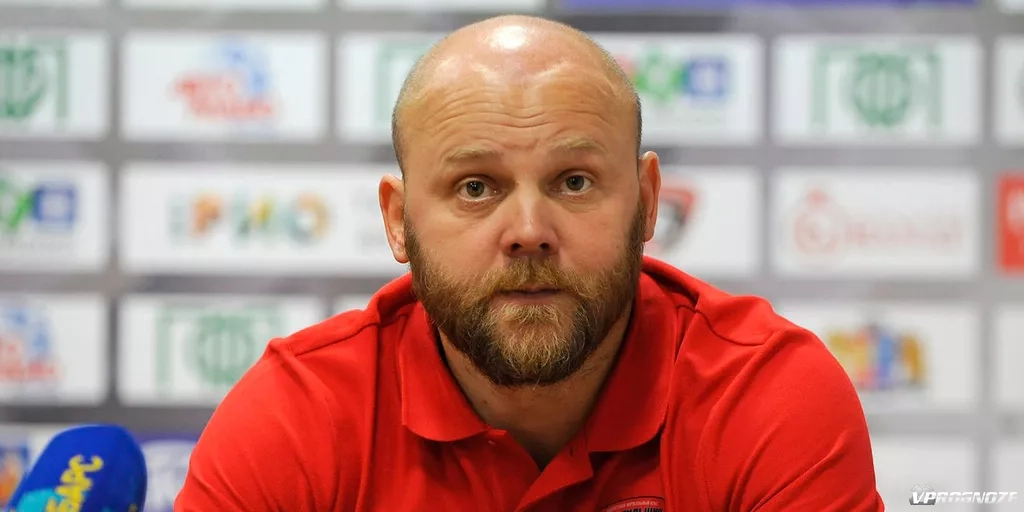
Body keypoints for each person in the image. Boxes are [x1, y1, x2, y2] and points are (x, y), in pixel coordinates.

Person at [174, 15, 885, 512]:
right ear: (397, 221)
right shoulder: (297, 417)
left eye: (574, 182)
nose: (528, 232)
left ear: (646, 202)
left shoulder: (767, 397)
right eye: (475, 187)